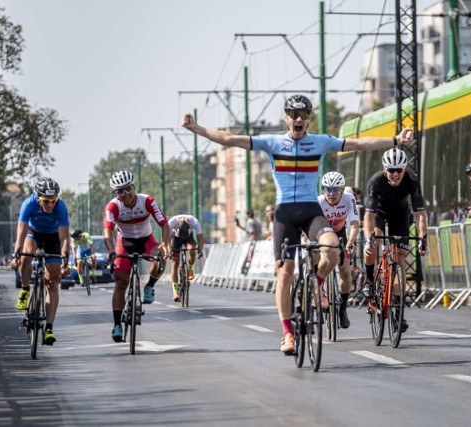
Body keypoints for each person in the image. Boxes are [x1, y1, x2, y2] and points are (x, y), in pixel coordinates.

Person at [182, 93, 414, 354]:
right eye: (293, 115)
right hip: (284, 215)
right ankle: (288, 334)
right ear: (286, 118)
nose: (298, 119)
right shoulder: (272, 143)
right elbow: (228, 139)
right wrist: (196, 128)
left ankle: (315, 281)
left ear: (309, 118)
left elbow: (360, 143)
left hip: (310, 210)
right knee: (285, 274)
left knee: (333, 250)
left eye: (303, 115)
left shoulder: (320, 142)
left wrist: (395, 140)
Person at [362, 148, 428, 334]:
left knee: (399, 259)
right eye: (391, 170)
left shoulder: (412, 180)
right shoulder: (376, 181)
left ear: (404, 169)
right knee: (373, 244)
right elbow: (368, 215)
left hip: (400, 215)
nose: (395, 174)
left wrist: (423, 239)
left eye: (399, 169)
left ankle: (398, 311)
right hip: (379, 214)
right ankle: (369, 280)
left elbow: (420, 215)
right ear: (385, 169)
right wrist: (369, 239)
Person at [103, 170, 171, 342]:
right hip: (124, 243)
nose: (125, 195)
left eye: (127, 189)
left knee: (161, 256)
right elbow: (107, 231)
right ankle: (117, 324)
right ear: (115, 193)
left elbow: (164, 224)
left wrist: (166, 245)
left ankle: (149, 285)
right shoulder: (113, 206)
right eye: (120, 191)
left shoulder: (147, 201)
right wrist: (111, 250)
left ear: (134, 187)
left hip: (146, 240)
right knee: (120, 282)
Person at [11, 177, 70, 345]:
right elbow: (21, 233)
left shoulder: (61, 207)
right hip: (33, 232)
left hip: (53, 238)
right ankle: (24, 290)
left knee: (52, 281)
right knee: (26, 255)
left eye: (53, 200)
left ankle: (49, 329)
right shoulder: (28, 204)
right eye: (46, 201)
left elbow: (65, 238)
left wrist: (65, 259)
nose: (50, 204)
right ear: (38, 198)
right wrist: (17, 253)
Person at [317, 171, 360, 329]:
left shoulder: (349, 199)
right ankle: (318, 295)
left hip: (341, 234)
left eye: (335, 190)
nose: (331, 193)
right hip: (323, 233)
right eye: (327, 189)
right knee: (318, 260)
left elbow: (355, 224)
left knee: (346, 271)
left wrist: (350, 242)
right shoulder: (319, 202)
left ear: (341, 190)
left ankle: (342, 309)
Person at [168, 214, 204, 302]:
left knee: (192, 250)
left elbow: (200, 238)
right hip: (176, 239)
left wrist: (199, 251)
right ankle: (175, 292)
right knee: (175, 263)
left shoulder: (194, 221)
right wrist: (169, 251)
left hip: (188, 237)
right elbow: (167, 240)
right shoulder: (172, 222)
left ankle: (190, 269)